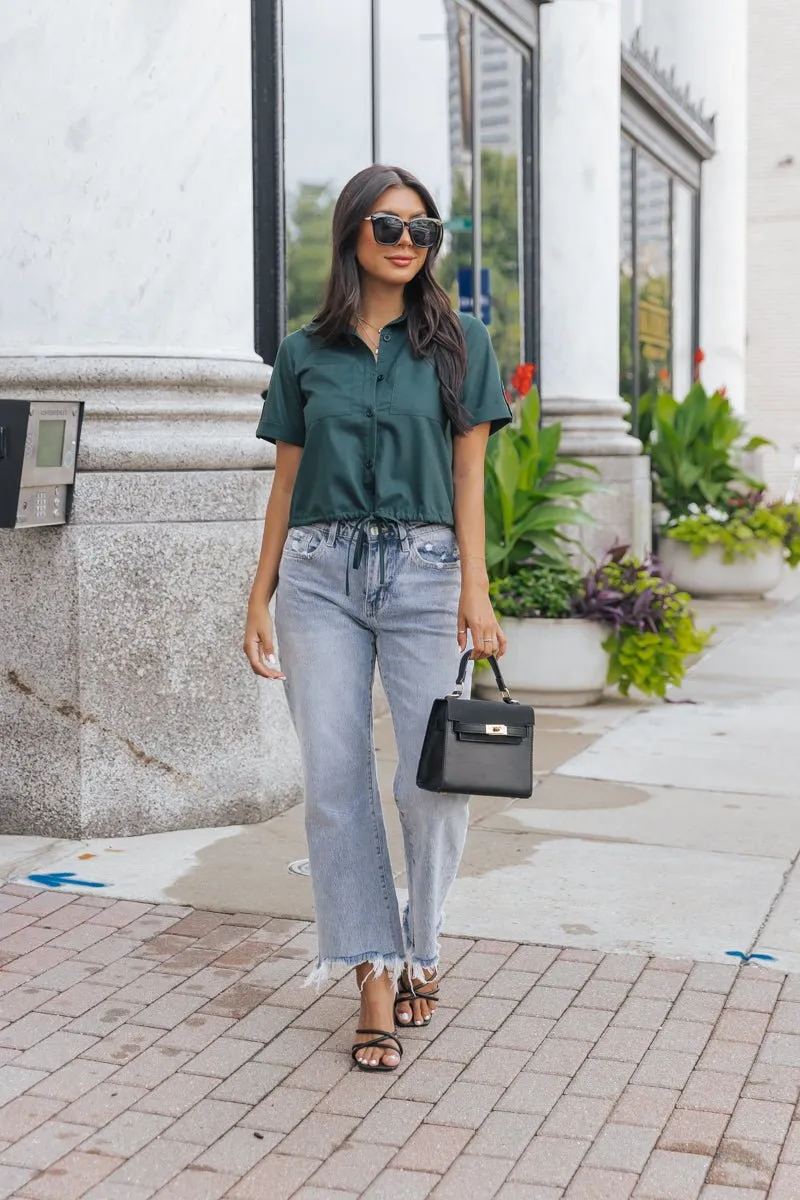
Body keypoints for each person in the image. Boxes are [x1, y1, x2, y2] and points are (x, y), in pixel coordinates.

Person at [244, 163, 511, 1072]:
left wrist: (477, 590)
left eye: (422, 231)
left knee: (431, 783)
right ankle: (370, 968)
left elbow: (470, 476)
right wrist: (259, 593)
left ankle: (423, 945)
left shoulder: (459, 342)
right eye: (389, 227)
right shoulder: (302, 351)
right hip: (318, 576)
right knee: (334, 779)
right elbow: (285, 480)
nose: (406, 243)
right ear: (353, 232)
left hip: (427, 573)